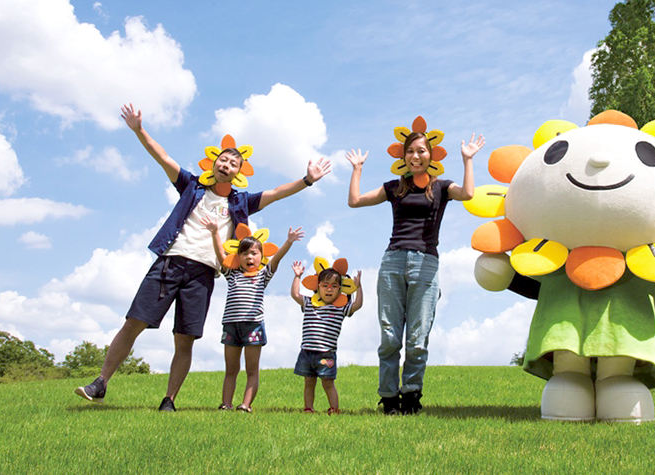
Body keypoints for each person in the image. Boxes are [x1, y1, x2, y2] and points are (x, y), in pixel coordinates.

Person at [74, 103, 331, 411]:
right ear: (214, 163)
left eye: (233, 163)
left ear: (238, 173)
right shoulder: (191, 186)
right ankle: (101, 382)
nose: (227, 164)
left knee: (185, 339)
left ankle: (169, 400)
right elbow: (163, 157)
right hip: (170, 263)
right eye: (223, 159)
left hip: (203, 273)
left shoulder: (241, 202)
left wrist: (306, 180)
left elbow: (276, 192)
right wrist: (139, 130)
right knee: (134, 323)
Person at [346, 126, 484, 414]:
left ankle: (411, 395)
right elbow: (355, 201)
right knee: (390, 336)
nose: (415, 156)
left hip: (426, 264)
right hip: (393, 262)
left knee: (417, 338)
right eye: (410, 151)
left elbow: (468, 194)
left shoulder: (442, 187)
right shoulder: (394, 188)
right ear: (403, 156)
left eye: (421, 150)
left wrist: (468, 159)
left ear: (431, 156)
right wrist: (357, 169)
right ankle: (388, 398)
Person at [203, 217, 302, 412]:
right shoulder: (232, 275)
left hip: (253, 326)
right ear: (238, 257)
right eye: (245, 253)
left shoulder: (263, 275)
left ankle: (246, 405)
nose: (249, 257)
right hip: (231, 326)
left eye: (254, 253)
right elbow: (221, 254)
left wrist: (289, 241)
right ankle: (226, 404)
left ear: (261, 256)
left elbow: (277, 258)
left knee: (251, 369)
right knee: (231, 369)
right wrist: (215, 233)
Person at [290, 261, 364, 414]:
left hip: (326, 354)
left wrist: (358, 287)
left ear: (340, 289)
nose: (329, 289)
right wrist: (297, 277)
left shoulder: (340, 308)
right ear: (318, 287)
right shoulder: (310, 303)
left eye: (334, 286)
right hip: (307, 352)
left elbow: (357, 305)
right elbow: (295, 295)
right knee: (309, 382)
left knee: (328, 383)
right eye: (325, 285)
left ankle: (334, 409)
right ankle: (308, 408)